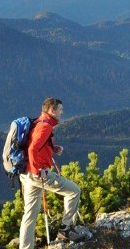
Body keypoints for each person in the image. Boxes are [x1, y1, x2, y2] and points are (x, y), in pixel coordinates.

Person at [18, 97, 92, 247]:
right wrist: (38, 170)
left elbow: (35, 145)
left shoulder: (37, 122)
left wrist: (51, 148)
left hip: (26, 174)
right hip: (38, 174)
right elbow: (32, 149)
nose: (62, 113)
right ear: (52, 110)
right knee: (74, 191)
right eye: (60, 110)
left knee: (30, 215)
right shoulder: (45, 126)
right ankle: (65, 229)